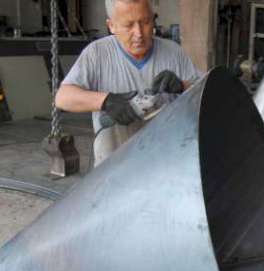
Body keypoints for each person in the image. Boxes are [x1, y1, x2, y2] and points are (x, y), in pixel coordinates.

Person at [56, 0, 201, 166]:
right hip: (114, 168)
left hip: (164, 165)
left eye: (145, 22)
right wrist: (106, 101)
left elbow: (205, 91)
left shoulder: (173, 52)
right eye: (129, 25)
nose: (139, 33)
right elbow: (63, 98)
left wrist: (182, 86)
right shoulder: (96, 54)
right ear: (111, 26)